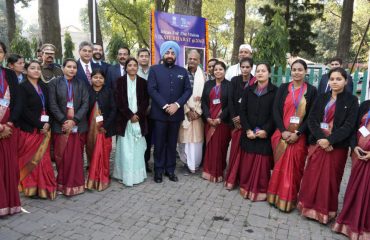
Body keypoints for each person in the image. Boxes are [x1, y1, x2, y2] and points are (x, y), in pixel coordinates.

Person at [297, 67, 358, 224]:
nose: (335, 82)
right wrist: (321, 139)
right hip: (318, 144)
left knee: (330, 181)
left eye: (339, 79)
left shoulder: (351, 101)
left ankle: (325, 212)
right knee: (312, 176)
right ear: (328, 81)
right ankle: (307, 207)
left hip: (336, 148)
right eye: (332, 79)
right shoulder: (322, 97)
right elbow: (312, 120)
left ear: (346, 81)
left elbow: (349, 126)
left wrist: (330, 141)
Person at [267, 59, 317, 212]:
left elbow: (311, 116)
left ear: (306, 71)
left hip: (298, 137)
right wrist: (282, 130)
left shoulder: (312, 91)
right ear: (291, 71)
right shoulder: (283, 88)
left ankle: (288, 200)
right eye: (294, 69)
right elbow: (275, 110)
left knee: (294, 170)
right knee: (279, 168)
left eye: (300, 69)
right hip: (281, 134)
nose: (297, 72)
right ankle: (274, 196)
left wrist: (298, 133)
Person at [147, 41, 192, 183]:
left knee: (172, 143)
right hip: (159, 114)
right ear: (163, 54)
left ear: (176, 55)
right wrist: (165, 105)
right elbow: (151, 89)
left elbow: (188, 90)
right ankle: (158, 171)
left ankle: (170, 170)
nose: (170, 55)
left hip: (176, 114)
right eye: (167, 52)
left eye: (173, 53)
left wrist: (177, 105)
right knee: (159, 143)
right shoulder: (154, 70)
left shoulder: (182, 71)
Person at [48, 58, 89, 196]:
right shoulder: (54, 83)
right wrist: (64, 121)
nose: (72, 69)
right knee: (62, 157)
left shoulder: (81, 84)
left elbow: (85, 104)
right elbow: (52, 104)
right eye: (69, 67)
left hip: (78, 126)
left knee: (76, 157)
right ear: (63, 68)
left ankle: (77, 185)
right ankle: (62, 185)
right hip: (61, 127)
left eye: (74, 67)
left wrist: (74, 120)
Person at [17, 60, 57, 200]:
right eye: (32, 68)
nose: (36, 71)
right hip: (30, 129)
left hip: (45, 129)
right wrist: (39, 125)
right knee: (31, 159)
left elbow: (50, 107)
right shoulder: (22, 87)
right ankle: (31, 188)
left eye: (38, 68)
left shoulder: (43, 86)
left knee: (43, 159)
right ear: (26, 71)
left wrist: (48, 124)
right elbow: (23, 110)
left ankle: (44, 186)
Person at [239, 63, 277, 201]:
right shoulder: (248, 90)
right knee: (247, 164)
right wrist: (247, 129)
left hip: (264, 135)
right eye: (258, 71)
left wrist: (266, 130)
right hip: (249, 133)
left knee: (262, 166)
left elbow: (275, 114)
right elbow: (242, 111)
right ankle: (245, 188)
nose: (260, 73)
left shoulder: (275, 91)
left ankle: (260, 191)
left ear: (269, 73)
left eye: (263, 71)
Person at [332, 99, 370, 239]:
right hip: (358, 155)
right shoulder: (366, 105)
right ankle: (347, 223)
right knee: (354, 189)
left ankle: (363, 228)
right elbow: (354, 128)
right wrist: (354, 147)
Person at [114, 57, 149, 186]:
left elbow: (145, 101)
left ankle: (138, 175)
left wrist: (138, 115)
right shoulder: (120, 81)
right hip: (125, 120)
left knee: (138, 149)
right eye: (130, 65)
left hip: (139, 120)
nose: (133, 67)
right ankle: (124, 175)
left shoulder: (143, 82)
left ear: (137, 67)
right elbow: (119, 101)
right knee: (125, 149)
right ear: (126, 67)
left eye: (135, 65)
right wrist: (130, 116)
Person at [224, 57, 255, 189]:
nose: (245, 69)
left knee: (244, 152)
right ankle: (232, 178)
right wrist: (234, 117)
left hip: (247, 122)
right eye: (243, 67)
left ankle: (242, 178)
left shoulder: (255, 81)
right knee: (234, 150)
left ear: (251, 68)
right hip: (234, 120)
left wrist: (242, 119)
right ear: (240, 67)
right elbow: (230, 100)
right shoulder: (234, 80)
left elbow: (253, 103)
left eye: (247, 67)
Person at [0, 41, 21, 216]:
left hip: (9, 129)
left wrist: (10, 123)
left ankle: (9, 204)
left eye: (0, 51)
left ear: (4, 55)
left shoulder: (10, 74)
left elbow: (17, 101)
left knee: (9, 167)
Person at [201, 61, 232, 182]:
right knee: (210, 147)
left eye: (220, 69)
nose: (218, 71)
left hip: (222, 122)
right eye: (215, 70)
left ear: (225, 71)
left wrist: (220, 118)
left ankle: (218, 172)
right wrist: (208, 117)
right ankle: (208, 171)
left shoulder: (229, 85)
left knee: (221, 147)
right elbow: (204, 102)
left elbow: (230, 105)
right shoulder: (208, 84)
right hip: (209, 121)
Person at [86, 69, 116, 191]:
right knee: (91, 149)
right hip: (89, 129)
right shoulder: (87, 91)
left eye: (101, 78)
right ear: (91, 78)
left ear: (104, 80)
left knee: (104, 151)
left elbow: (114, 109)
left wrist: (106, 126)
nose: (98, 80)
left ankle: (103, 174)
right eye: (95, 77)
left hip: (105, 129)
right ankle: (92, 173)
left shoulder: (109, 91)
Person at [177, 49, 206, 173]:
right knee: (184, 139)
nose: (192, 61)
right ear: (187, 59)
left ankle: (194, 164)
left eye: (195, 59)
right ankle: (186, 162)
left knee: (196, 141)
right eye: (190, 59)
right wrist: (187, 110)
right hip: (184, 111)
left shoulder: (204, 75)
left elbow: (206, 95)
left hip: (198, 113)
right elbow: (178, 93)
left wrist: (198, 112)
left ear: (199, 61)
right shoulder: (180, 74)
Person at [137, 48, 153, 172]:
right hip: (137, 112)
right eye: (141, 56)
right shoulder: (133, 70)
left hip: (152, 111)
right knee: (138, 137)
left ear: (149, 58)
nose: (144, 58)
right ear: (138, 58)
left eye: (146, 56)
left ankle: (146, 162)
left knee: (148, 138)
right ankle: (137, 162)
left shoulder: (154, 71)